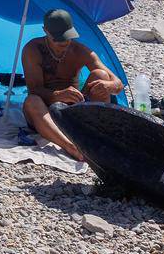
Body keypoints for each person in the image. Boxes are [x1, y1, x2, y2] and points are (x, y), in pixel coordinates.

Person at [22, 9, 124, 161]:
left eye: (67, 37)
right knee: (31, 101)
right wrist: (57, 95)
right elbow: (34, 89)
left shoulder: (79, 51)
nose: (64, 42)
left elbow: (118, 84)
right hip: (45, 110)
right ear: (45, 31)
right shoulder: (33, 49)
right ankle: (72, 147)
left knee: (100, 76)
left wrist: (107, 86)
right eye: (58, 39)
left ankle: (98, 132)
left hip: (73, 109)